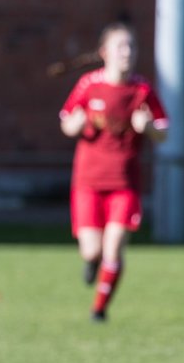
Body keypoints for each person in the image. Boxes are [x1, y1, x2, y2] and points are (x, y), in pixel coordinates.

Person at [59, 22, 167, 321]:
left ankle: (99, 309)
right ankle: (91, 263)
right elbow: (67, 122)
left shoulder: (142, 90)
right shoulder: (88, 85)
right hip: (88, 182)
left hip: (124, 183)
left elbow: (163, 130)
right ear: (105, 52)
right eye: (121, 46)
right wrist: (76, 124)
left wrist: (148, 129)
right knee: (91, 251)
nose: (127, 53)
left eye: (132, 47)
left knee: (114, 247)